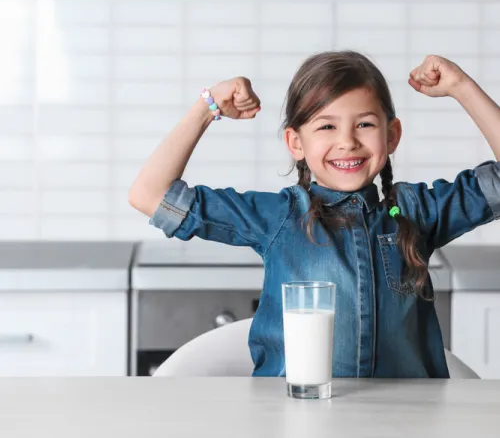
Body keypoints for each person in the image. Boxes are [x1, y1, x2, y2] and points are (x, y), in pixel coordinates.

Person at [129, 51, 500, 378]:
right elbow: (150, 195)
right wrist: (207, 108)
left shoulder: (417, 212)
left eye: (365, 124)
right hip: (296, 421)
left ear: (392, 135)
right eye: (327, 126)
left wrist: (462, 87)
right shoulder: (279, 217)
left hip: (406, 424)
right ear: (296, 143)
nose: (347, 141)